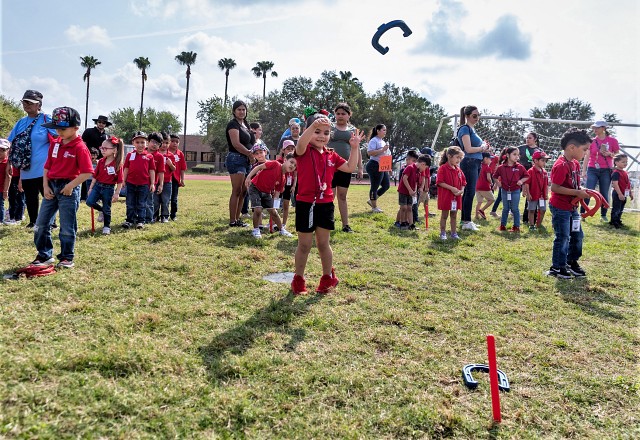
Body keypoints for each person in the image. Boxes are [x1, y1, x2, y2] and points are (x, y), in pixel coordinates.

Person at [290, 114, 364, 295]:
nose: (321, 136)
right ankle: (298, 280)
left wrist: (354, 148)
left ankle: (327, 278)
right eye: (316, 131)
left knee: (324, 244)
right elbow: (300, 144)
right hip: (306, 204)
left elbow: (349, 167)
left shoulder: (332, 155)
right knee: (305, 245)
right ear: (309, 132)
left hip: (325, 204)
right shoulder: (303, 150)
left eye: (325, 132)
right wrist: (312, 124)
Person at [31, 106, 93, 269]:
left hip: (69, 189)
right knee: (41, 224)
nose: (59, 132)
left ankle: (66, 257)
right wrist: (45, 186)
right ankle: (44, 255)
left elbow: (87, 172)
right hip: (51, 186)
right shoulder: (56, 143)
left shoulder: (80, 147)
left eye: (63, 129)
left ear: (75, 128)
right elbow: (47, 167)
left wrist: (70, 186)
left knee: (67, 226)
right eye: (56, 128)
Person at [7, 90, 58, 228]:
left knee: (48, 195)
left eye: (30, 102)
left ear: (39, 105)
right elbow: (9, 142)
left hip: (44, 168)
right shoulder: (21, 122)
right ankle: (34, 221)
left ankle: (51, 222)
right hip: (26, 168)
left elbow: (60, 137)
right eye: (24, 102)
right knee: (30, 197)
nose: (27, 105)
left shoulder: (46, 119)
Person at [547, 128, 591, 279]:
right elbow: (555, 187)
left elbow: (573, 185)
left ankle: (571, 262)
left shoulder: (575, 164)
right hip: (560, 208)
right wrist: (577, 193)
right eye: (584, 150)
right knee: (563, 236)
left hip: (573, 207)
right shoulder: (560, 165)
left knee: (577, 236)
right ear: (572, 147)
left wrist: (580, 189)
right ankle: (557, 267)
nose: (586, 154)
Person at [329, 103, 363, 233]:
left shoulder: (353, 130)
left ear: (349, 115)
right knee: (330, 196)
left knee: (342, 196)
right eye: (338, 113)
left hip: (346, 167)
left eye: (343, 113)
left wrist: (360, 167)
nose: (340, 116)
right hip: (330, 167)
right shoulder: (329, 127)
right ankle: (328, 222)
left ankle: (345, 225)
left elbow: (357, 149)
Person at [244, 154, 296, 239]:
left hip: (267, 193)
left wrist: (274, 207)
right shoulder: (275, 164)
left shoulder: (283, 179)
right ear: (285, 160)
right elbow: (259, 167)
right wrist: (248, 177)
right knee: (258, 209)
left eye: (295, 165)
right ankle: (256, 230)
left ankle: (281, 229)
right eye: (291, 162)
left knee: (274, 212)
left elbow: (277, 194)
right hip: (255, 187)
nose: (292, 165)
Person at [457, 105, 490, 231]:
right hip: (469, 162)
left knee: (469, 192)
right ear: (467, 116)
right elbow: (468, 149)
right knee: (469, 192)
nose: (477, 118)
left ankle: (465, 220)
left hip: (476, 162)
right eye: (474, 116)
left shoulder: (472, 129)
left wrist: (485, 148)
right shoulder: (465, 129)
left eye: (478, 115)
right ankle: (466, 221)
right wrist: (482, 148)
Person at [581, 120, 620, 222]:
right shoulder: (592, 141)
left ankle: (603, 215)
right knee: (588, 190)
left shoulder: (613, 141)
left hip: (606, 170)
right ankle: (582, 213)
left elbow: (618, 156)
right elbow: (587, 156)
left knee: (604, 192)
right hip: (592, 169)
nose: (595, 130)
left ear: (604, 128)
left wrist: (610, 154)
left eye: (597, 128)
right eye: (594, 128)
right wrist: (583, 171)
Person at [86, 136, 124, 235]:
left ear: (114, 150)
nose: (102, 150)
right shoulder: (101, 161)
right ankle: (101, 210)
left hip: (109, 188)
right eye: (101, 148)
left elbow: (120, 181)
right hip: (98, 186)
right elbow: (95, 175)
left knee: (107, 208)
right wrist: (91, 187)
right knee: (89, 202)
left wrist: (117, 193)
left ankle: (106, 226)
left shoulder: (117, 164)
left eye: (105, 148)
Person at [225, 100, 255, 227]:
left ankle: (238, 219)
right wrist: (249, 153)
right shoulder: (233, 125)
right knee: (236, 190)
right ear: (234, 111)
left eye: (243, 109)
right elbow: (236, 144)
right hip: (236, 159)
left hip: (247, 160)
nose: (242, 112)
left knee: (244, 191)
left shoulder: (245, 125)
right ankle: (232, 221)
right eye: (239, 109)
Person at [122, 131, 156, 229]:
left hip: (144, 184)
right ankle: (129, 220)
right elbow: (126, 168)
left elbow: (152, 170)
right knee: (130, 203)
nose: (140, 145)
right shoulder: (129, 155)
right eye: (137, 142)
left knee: (142, 203)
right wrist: (123, 180)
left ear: (146, 143)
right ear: (133, 143)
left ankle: (141, 221)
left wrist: (152, 183)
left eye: (142, 142)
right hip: (131, 183)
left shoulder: (149, 156)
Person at [493, 146, 529, 233]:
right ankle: (502, 225)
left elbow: (527, 176)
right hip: (504, 191)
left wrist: (521, 181)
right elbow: (494, 176)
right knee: (505, 208)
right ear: (508, 155)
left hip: (516, 190)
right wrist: (498, 183)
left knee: (515, 208)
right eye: (514, 154)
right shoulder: (501, 167)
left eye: (518, 155)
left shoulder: (520, 167)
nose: (517, 157)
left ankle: (516, 227)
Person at [437, 146, 466, 240]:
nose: (459, 160)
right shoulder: (443, 168)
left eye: (460, 158)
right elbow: (440, 182)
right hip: (446, 196)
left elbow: (464, 182)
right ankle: (442, 233)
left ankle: (454, 233)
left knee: (454, 215)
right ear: (449, 156)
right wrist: (452, 188)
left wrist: (461, 190)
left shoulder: (458, 170)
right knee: (444, 215)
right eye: (457, 157)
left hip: (456, 197)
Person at [366, 124, 391, 213]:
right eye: (383, 130)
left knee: (386, 185)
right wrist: (382, 150)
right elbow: (370, 153)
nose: (385, 132)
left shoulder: (383, 142)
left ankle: (372, 200)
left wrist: (389, 167)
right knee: (375, 186)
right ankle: (374, 207)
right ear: (378, 131)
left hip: (383, 166)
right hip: (374, 165)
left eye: (385, 130)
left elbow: (385, 156)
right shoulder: (374, 140)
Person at [517, 132, 541, 224]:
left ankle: (527, 218)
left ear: (535, 139)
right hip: (520, 175)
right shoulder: (521, 148)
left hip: (531, 175)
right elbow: (512, 155)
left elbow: (541, 163)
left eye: (530, 138)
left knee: (530, 196)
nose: (527, 139)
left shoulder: (539, 150)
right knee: (514, 193)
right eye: (526, 138)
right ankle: (511, 212)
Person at [524, 150, 550, 230]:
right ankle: (531, 225)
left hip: (541, 196)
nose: (544, 163)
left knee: (543, 210)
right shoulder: (530, 171)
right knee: (531, 210)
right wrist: (528, 194)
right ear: (535, 161)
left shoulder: (544, 172)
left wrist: (546, 193)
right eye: (542, 160)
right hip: (533, 194)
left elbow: (546, 184)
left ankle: (539, 224)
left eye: (545, 161)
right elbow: (527, 183)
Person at [395, 150, 420, 230]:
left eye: (416, 161)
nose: (414, 163)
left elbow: (416, 182)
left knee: (408, 208)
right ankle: (399, 222)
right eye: (414, 161)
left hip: (410, 192)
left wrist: (414, 191)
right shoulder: (405, 169)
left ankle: (407, 222)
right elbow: (403, 181)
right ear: (407, 160)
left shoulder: (416, 170)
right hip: (404, 191)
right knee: (403, 208)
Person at [145, 132, 166, 224]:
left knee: (149, 202)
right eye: (153, 141)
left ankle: (149, 219)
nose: (154, 144)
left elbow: (161, 172)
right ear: (148, 141)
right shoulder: (141, 153)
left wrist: (161, 185)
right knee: (137, 201)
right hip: (138, 182)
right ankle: (137, 218)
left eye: (157, 143)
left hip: (151, 184)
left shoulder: (160, 157)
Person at [277, 140, 297, 229]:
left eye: (292, 148)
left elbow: (296, 175)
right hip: (279, 185)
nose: (290, 150)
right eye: (288, 148)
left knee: (286, 204)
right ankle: (274, 222)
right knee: (276, 205)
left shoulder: (294, 161)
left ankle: (284, 224)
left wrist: (293, 186)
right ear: (283, 150)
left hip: (289, 185)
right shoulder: (279, 160)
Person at [155, 132, 175, 223]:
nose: (164, 145)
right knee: (155, 200)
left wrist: (170, 164)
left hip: (167, 181)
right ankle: (155, 216)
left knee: (165, 200)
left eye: (167, 143)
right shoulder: (155, 154)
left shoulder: (170, 155)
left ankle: (165, 216)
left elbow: (174, 168)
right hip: (156, 181)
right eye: (162, 142)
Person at [610, 153, 633, 229]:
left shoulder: (625, 172)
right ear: (616, 162)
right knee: (616, 208)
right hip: (618, 193)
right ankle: (614, 221)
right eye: (623, 162)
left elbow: (628, 183)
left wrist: (630, 193)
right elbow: (615, 184)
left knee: (621, 208)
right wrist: (619, 194)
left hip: (624, 193)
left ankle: (618, 220)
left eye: (626, 162)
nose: (625, 164)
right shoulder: (616, 173)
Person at [168, 134, 186, 221]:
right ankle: (164, 215)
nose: (175, 143)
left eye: (177, 142)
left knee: (174, 198)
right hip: (166, 179)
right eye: (172, 141)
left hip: (175, 179)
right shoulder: (164, 152)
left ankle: (173, 215)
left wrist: (182, 179)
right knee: (164, 198)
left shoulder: (180, 154)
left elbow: (182, 168)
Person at [474, 152, 495, 220]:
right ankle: (481, 210)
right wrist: (491, 183)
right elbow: (488, 178)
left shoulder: (478, 165)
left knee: (479, 202)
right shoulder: (487, 167)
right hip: (485, 187)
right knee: (492, 200)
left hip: (477, 186)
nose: (491, 161)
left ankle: (476, 216)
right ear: (485, 159)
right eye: (490, 159)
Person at [0, 139, 12, 222]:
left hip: (1, 189)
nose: (0, 153)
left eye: (3, 150)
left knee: (0, 205)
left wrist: (5, 191)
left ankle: (0, 220)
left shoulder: (7, 163)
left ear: (8, 151)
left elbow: (8, 177)